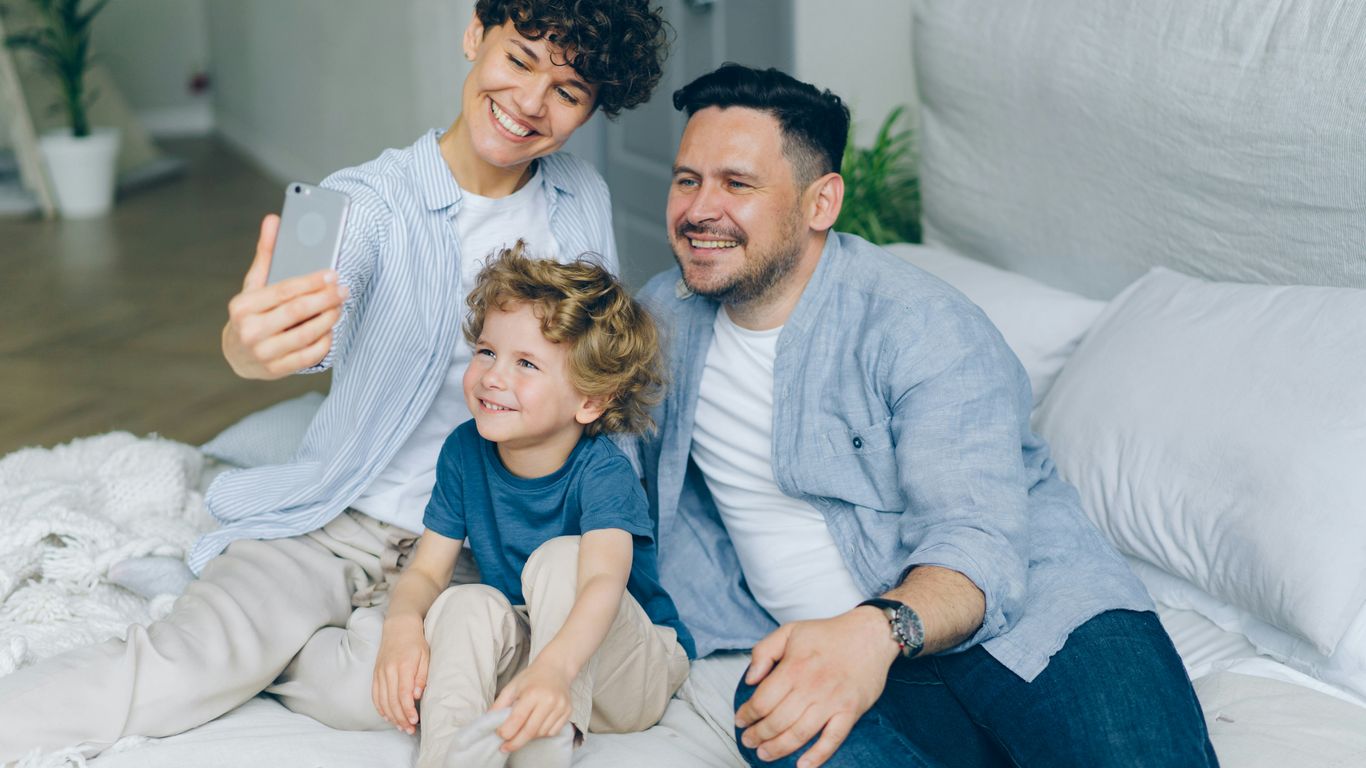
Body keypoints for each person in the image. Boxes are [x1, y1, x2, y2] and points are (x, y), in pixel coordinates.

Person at [0, 1, 667, 761]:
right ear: (475, 36)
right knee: (188, 668)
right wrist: (252, 344)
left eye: (568, 91)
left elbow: (593, 371)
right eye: (518, 60)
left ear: (590, 110)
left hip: (477, 543)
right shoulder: (360, 200)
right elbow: (281, 319)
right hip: (336, 523)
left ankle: (278, 649)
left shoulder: (582, 197)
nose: (529, 103)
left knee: (396, 700)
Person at [629, 63, 1219, 768]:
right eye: (687, 179)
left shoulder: (921, 326)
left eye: (738, 184)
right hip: (838, 661)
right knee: (770, 722)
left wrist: (873, 631)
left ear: (821, 203)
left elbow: (974, 538)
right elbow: (572, 436)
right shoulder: (659, 322)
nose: (698, 209)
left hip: (1038, 621)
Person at [372, 246, 693, 768]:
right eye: (486, 352)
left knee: (563, 558)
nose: (494, 377)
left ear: (590, 400)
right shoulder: (464, 450)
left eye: (525, 363)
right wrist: (401, 626)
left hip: (624, 671)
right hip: (533, 656)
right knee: (461, 602)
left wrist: (555, 671)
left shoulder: (603, 473)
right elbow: (427, 572)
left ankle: (544, 752)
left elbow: (600, 585)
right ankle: (449, 758)